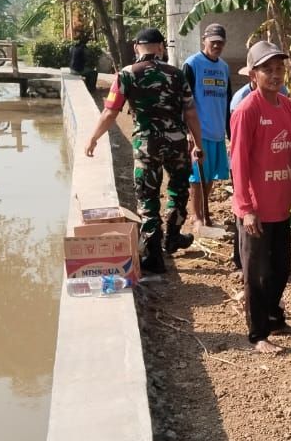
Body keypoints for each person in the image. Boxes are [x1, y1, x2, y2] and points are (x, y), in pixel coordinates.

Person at [83, 27, 203, 275]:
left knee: (147, 197)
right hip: (176, 142)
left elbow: (110, 112)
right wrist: (198, 143)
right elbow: (190, 111)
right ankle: (173, 236)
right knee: (178, 189)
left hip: (146, 145)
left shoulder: (126, 75)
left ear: (137, 47)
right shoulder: (177, 74)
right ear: (160, 47)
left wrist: (93, 138)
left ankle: (154, 254)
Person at [230, 40, 291, 353]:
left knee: (281, 267)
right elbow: (239, 163)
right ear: (253, 75)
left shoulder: (287, 107)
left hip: (281, 207)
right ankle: (258, 334)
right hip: (256, 210)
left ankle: (273, 316)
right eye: (267, 69)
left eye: (279, 68)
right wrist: (246, 208)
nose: (275, 74)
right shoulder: (247, 110)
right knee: (257, 274)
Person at [183, 23, 233, 227]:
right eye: (213, 42)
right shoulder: (192, 64)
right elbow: (184, 100)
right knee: (196, 177)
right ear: (204, 40)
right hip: (198, 132)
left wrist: (229, 132)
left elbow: (228, 100)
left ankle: (204, 211)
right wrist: (188, 133)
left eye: (220, 43)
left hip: (218, 131)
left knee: (210, 174)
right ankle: (196, 216)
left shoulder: (224, 67)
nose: (216, 46)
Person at [68, 31, 96, 97]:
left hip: (71, 68)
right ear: (84, 42)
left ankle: (88, 87)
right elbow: (88, 58)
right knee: (94, 73)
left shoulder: (72, 47)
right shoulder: (83, 48)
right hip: (77, 70)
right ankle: (91, 89)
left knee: (88, 71)